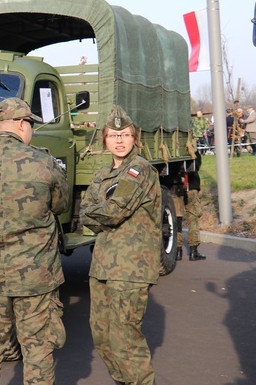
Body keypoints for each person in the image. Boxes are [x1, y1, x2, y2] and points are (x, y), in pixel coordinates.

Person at [0, 98, 68, 384]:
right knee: (38, 352)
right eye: (31, 125)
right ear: (22, 123)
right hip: (35, 276)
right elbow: (61, 205)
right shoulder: (44, 163)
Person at [80, 105, 161, 385]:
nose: (119, 140)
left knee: (125, 339)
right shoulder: (103, 175)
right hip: (102, 265)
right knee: (101, 337)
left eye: (125, 134)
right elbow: (84, 214)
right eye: (113, 135)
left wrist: (98, 213)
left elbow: (114, 211)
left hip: (131, 268)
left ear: (135, 138)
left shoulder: (140, 169)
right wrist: (99, 214)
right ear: (104, 139)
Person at [178, 151, 206, 262]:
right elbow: (197, 165)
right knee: (193, 218)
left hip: (175, 187)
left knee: (176, 219)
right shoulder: (193, 150)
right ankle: (194, 251)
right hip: (192, 187)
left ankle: (177, 251)